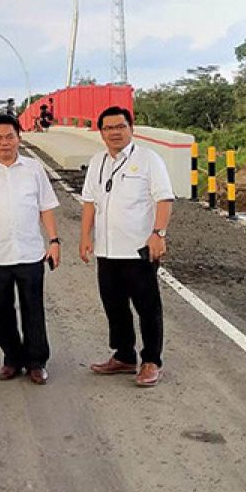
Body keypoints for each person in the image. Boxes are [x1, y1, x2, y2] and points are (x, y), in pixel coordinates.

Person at [78, 106, 174, 387]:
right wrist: (85, 236)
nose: (114, 132)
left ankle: (151, 361)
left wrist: (158, 233)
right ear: (101, 132)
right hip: (107, 249)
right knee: (114, 305)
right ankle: (123, 355)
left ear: (131, 128)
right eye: (108, 128)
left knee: (147, 307)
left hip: (138, 249)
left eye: (120, 126)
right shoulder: (97, 161)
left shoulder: (148, 160)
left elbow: (164, 199)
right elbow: (89, 202)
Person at [0, 114, 61, 384]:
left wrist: (54, 241)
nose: (5, 142)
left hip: (30, 253)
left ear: (19, 137)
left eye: (10, 136)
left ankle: (36, 361)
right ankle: (12, 358)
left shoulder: (34, 169)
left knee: (33, 309)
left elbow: (46, 207)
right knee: (0, 310)